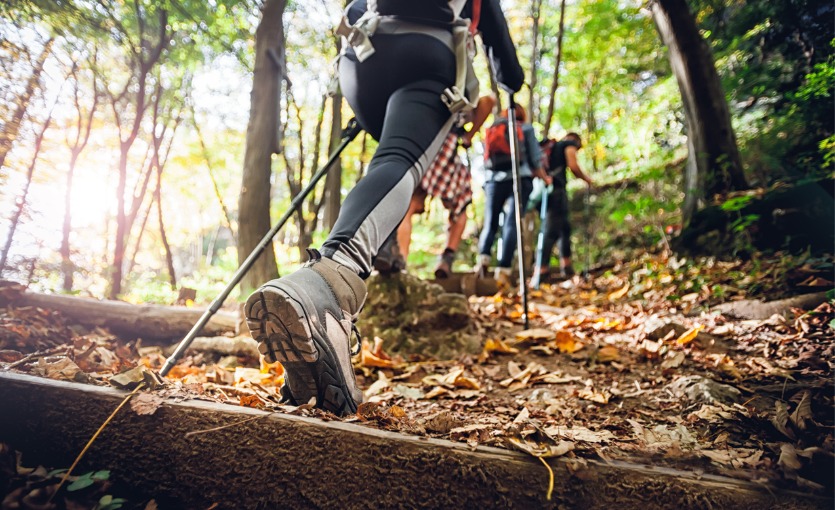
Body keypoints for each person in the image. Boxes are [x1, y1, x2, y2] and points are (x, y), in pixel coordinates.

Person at [243, 0, 524, 416]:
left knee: (389, 158)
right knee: (398, 161)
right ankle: (330, 286)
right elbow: (504, 59)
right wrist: (511, 81)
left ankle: (379, 258)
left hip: (360, 60)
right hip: (425, 56)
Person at [377, 94, 496, 279]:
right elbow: (489, 101)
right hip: (446, 151)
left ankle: (398, 260)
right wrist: (469, 135)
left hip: (418, 147)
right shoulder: (457, 91)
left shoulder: (418, 95)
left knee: (407, 208)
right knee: (459, 207)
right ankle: (446, 258)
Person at [475, 104, 548, 287]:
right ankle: (503, 270)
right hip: (520, 178)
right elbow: (535, 158)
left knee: (490, 222)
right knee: (512, 222)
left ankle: (483, 260)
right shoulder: (525, 128)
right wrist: (545, 178)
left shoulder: (493, 128)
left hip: (493, 180)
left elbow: (485, 160)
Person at [537, 132, 594, 280]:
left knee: (564, 228)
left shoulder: (552, 147)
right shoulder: (568, 144)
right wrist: (586, 179)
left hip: (545, 191)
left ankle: (566, 267)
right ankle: (541, 270)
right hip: (556, 190)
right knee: (551, 230)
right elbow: (573, 165)